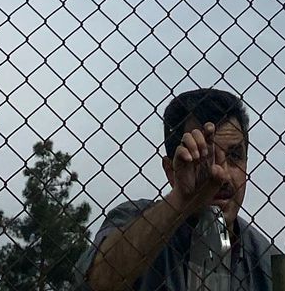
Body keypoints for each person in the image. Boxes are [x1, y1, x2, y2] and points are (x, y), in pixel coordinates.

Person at [77, 87, 274, 290]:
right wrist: (181, 198)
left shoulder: (266, 260)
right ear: (171, 171)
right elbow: (98, 281)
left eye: (235, 156)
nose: (221, 175)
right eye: (206, 158)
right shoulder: (133, 223)